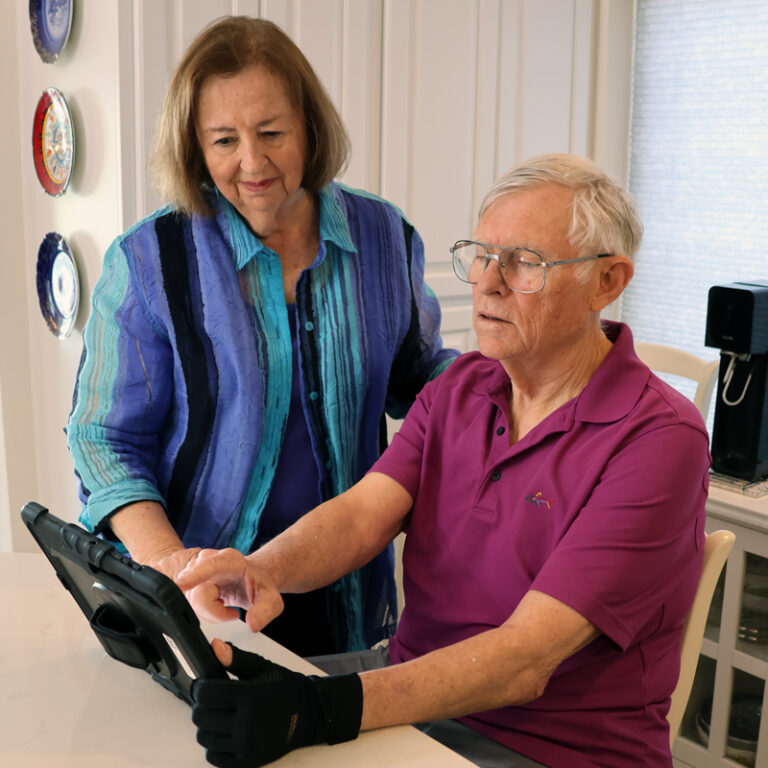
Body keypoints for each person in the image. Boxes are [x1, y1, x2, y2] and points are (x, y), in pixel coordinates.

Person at [175, 153, 712, 768]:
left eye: (525, 263)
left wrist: (319, 710)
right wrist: (262, 569)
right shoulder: (463, 385)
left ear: (608, 282)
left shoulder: (660, 439)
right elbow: (361, 516)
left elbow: (525, 661)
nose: (486, 282)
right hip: (413, 691)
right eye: (482, 253)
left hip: (548, 746)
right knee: (196, 719)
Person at [65, 16, 457, 658]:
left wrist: (520, 382)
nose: (252, 163)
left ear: (309, 126)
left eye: (272, 132)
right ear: (195, 148)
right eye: (223, 141)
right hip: (199, 602)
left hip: (345, 596)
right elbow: (103, 438)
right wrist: (173, 568)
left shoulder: (384, 238)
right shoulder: (150, 262)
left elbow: (421, 379)